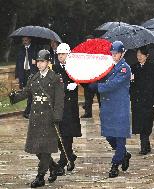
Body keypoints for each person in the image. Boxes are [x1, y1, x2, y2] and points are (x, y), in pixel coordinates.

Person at [9, 49, 64, 188]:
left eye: (42, 61)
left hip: (49, 118)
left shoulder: (55, 78)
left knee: (45, 148)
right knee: (36, 148)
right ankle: (54, 167)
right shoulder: (34, 78)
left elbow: (59, 100)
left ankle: (40, 176)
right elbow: (27, 92)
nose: (39, 64)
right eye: (38, 61)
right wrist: (14, 97)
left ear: (48, 62)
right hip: (35, 119)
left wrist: (57, 116)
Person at [89, 41, 131, 178]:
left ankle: (115, 164)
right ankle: (123, 154)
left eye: (116, 53)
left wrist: (98, 86)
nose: (114, 55)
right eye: (112, 53)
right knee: (109, 135)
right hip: (108, 107)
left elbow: (113, 84)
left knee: (119, 137)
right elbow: (101, 77)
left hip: (119, 107)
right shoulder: (108, 66)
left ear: (122, 53)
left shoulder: (125, 68)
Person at [52, 43, 82, 175]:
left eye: (62, 54)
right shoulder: (54, 68)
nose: (60, 56)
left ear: (68, 54)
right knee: (57, 135)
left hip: (70, 107)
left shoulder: (74, 68)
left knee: (67, 134)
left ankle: (64, 160)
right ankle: (69, 155)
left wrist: (77, 82)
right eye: (58, 54)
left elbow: (85, 81)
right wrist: (66, 87)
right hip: (58, 105)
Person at [130, 46, 154, 155]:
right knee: (139, 123)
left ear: (147, 56)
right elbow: (130, 84)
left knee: (147, 123)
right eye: (138, 55)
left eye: (141, 55)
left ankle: (145, 143)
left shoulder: (153, 68)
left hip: (149, 100)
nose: (139, 57)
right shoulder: (133, 67)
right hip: (137, 100)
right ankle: (144, 144)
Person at [15, 36, 38, 119]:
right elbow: (18, 63)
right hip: (23, 73)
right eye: (23, 40)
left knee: (31, 92)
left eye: (26, 40)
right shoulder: (21, 49)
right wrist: (17, 76)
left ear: (29, 40)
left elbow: (40, 60)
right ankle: (29, 111)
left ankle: (27, 111)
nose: (24, 42)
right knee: (27, 92)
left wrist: (36, 62)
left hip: (32, 73)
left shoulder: (35, 48)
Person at [81, 35, 101, 118]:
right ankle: (88, 113)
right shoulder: (84, 52)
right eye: (87, 41)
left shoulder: (98, 51)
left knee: (100, 97)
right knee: (88, 96)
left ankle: (102, 112)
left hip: (98, 78)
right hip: (88, 78)